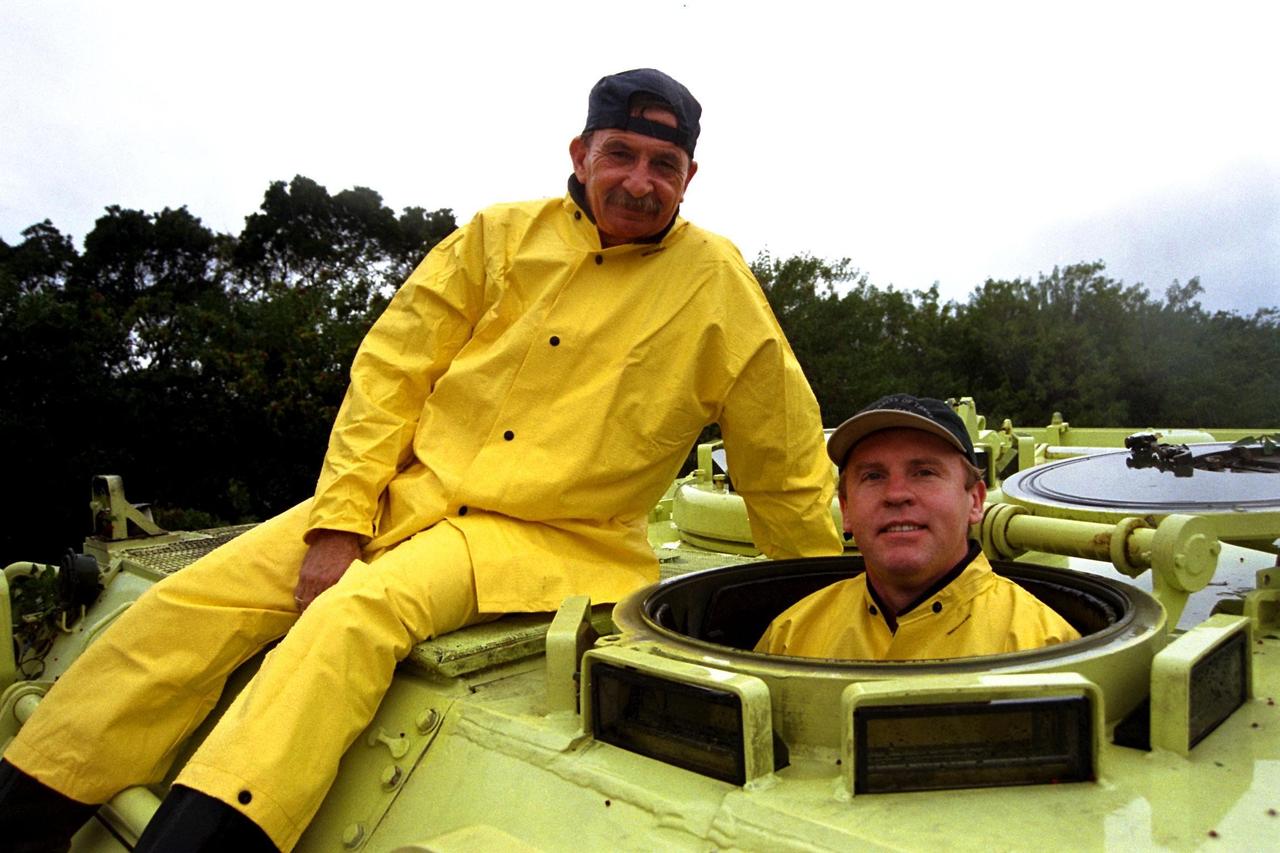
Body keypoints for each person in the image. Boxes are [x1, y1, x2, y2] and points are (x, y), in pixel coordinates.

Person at [0, 69, 843, 852]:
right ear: (580, 153)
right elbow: (391, 375)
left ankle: (203, 835)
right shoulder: (497, 236)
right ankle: (25, 809)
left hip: (548, 537)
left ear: (690, 178)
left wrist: (820, 603)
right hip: (409, 495)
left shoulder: (718, 283)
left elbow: (782, 450)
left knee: (352, 619)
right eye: (619, 153)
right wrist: (338, 519)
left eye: (664, 163)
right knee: (186, 604)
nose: (638, 179)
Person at [756, 393, 1079, 660]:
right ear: (847, 509)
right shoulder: (790, 638)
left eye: (924, 472)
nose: (896, 494)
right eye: (873, 476)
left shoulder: (1045, 647)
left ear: (975, 501)